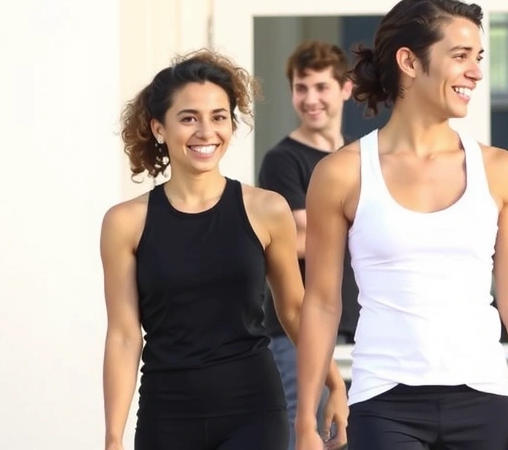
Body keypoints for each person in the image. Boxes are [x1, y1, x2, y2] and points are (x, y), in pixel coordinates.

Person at [294, 0, 508, 450]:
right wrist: (306, 417)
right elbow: (322, 304)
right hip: (383, 401)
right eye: (460, 56)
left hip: (483, 399)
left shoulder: (501, 170)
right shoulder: (341, 173)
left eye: (479, 57)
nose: (476, 71)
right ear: (409, 61)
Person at [100, 49, 348, 450]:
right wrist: (113, 438)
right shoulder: (125, 222)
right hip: (166, 416)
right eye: (188, 118)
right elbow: (125, 336)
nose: (205, 131)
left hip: (254, 411)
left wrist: (334, 384)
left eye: (218, 117)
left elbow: (295, 311)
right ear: (159, 128)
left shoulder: (266, 209)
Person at [258, 40, 359, 450]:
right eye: (301, 88)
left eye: (321, 87)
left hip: (357, 323)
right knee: (302, 433)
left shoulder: (357, 156)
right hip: (297, 327)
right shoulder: (283, 160)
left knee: (353, 433)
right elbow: (301, 238)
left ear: (345, 89)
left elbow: (321, 233)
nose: (310, 99)